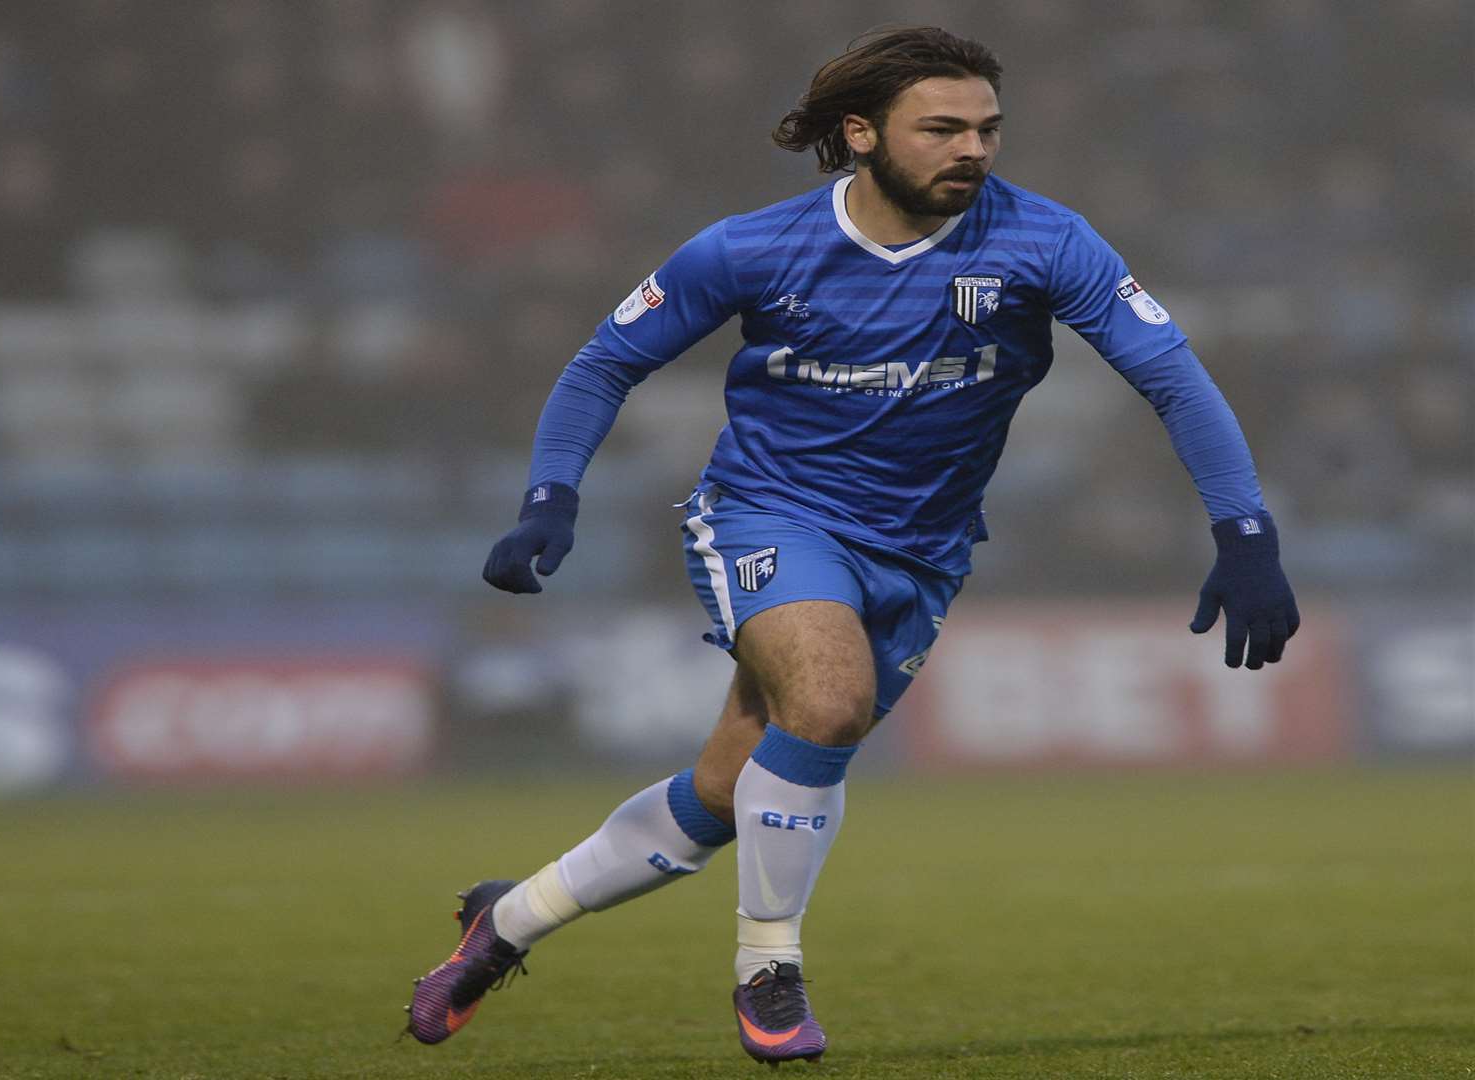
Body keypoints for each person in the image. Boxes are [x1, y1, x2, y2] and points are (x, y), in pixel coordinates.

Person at [404, 26, 1299, 1065]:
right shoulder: (751, 249)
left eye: (988, 129)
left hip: (922, 554)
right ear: (862, 134)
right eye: (943, 128)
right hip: (766, 515)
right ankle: (768, 970)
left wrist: (1246, 533)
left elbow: (1173, 377)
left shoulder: (1047, 243)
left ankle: (502, 926)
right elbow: (604, 365)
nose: (973, 148)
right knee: (828, 702)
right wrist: (551, 498)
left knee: (725, 796)